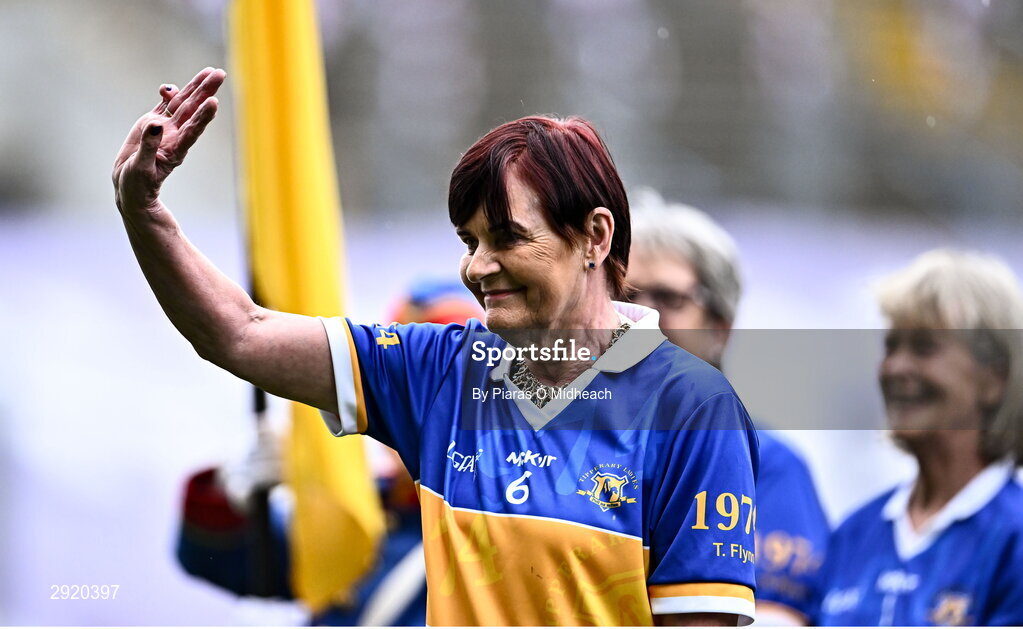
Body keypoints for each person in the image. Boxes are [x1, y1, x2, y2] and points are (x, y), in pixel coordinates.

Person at [113, 68, 759, 625]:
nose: (478, 267)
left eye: (505, 237)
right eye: (467, 241)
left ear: (594, 236)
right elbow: (238, 332)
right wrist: (143, 210)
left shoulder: (694, 408)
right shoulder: (438, 369)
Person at [175, 280, 482, 626]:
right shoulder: (371, 504)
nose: (416, 411)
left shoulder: (498, 526)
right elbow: (219, 562)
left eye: (440, 395)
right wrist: (232, 495)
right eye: (403, 390)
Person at [626, 189, 830, 625]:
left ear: (720, 327)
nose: (640, 318)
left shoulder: (771, 466)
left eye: (666, 298)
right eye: (625, 296)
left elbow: (777, 619)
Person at [814, 249, 1023, 626]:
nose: (896, 367)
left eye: (924, 347)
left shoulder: (1012, 539)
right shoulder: (854, 534)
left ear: (994, 378)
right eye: (891, 346)